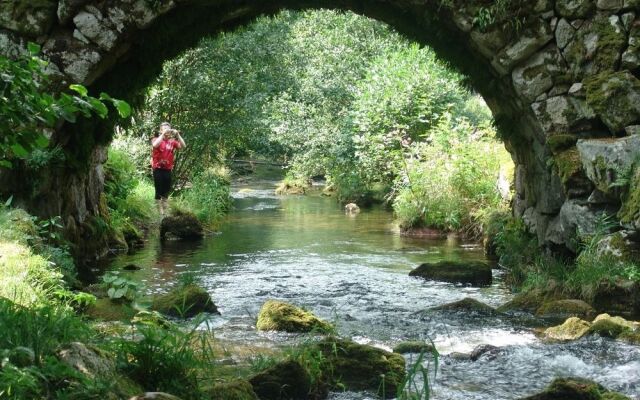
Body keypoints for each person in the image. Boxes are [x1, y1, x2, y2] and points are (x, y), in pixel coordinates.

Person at [151, 122, 186, 216]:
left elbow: (183, 146)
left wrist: (177, 135)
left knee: (166, 191)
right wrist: (162, 134)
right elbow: (155, 145)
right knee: (158, 190)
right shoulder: (156, 139)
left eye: (168, 129)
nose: (167, 131)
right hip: (157, 168)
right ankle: (160, 213)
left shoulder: (172, 142)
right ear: (161, 130)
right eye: (164, 129)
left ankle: (164, 212)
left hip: (168, 169)